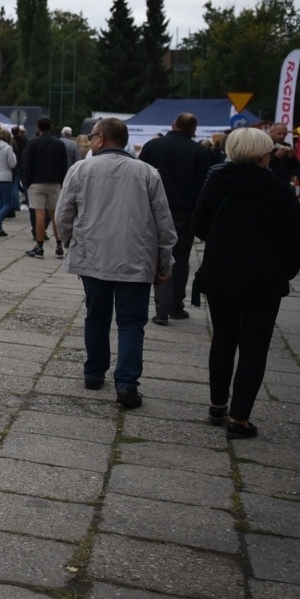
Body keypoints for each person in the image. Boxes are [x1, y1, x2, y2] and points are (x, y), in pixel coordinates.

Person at [192, 127, 300, 439]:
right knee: (254, 348)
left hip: (220, 274)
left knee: (223, 338)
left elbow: (199, 225)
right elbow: (298, 238)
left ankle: (218, 404)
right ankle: (240, 419)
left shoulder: (216, 182)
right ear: (261, 155)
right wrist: (286, 271)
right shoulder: (279, 189)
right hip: (263, 279)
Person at [54, 117, 176, 410]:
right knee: (132, 323)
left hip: (93, 256)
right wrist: (164, 263)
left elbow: (63, 214)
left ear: (99, 138)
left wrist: (71, 242)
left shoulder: (82, 169)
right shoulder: (147, 172)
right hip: (135, 258)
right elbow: (163, 222)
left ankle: (94, 374)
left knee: (96, 316)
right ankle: (126, 384)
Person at [139, 112, 214, 326]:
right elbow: (203, 186)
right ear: (194, 130)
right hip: (184, 212)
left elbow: (140, 175)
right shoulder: (200, 152)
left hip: (153, 211)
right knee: (180, 258)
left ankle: (161, 308)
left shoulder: (153, 146)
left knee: (157, 255)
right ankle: (175, 305)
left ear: (173, 124)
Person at [21, 117, 71, 259]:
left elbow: (27, 164)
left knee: (39, 215)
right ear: (51, 127)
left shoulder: (33, 143)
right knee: (55, 216)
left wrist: (27, 181)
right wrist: (61, 182)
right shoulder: (59, 144)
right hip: (54, 183)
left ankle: (40, 246)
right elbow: (64, 165)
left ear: (38, 127)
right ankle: (59, 245)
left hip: (36, 182)